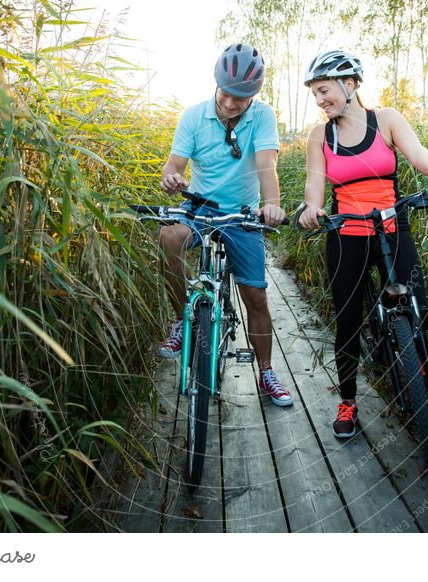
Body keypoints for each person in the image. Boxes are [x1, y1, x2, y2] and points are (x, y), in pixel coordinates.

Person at [297, 50, 428, 436]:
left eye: (324, 91)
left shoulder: (385, 120)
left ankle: (419, 378)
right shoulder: (321, 135)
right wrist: (311, 210)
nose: (320, 100)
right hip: (347, 234)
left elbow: (423, 159)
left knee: (416, 302)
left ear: (349, 85)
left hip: (391, 227)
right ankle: (348, 401)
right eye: (315, 95)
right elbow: (314, 187)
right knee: (348, 320)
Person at [158, 43, 292, 406]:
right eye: (227, 94)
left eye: (242, 98)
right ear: (216, 82)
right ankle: (182, 320)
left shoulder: (262, 116)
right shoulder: (193, 116)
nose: (232, 104)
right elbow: (173, 167)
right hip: (199, 208)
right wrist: (170, 179)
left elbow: (267, 166)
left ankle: (266, 371)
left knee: (256, 296)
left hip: (242, 214)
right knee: (170, 236)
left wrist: (272, 205)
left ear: (256, 94)